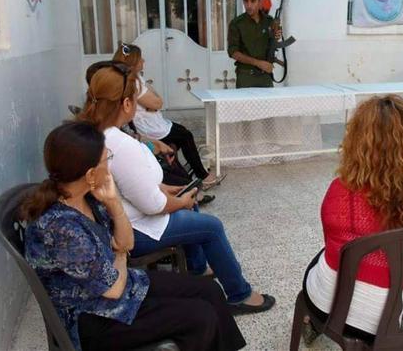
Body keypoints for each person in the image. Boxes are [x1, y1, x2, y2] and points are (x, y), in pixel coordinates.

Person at [20, 121, 246, 351]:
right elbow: (114, 286)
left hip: (117, 286)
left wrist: (113, 203)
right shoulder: (61, 228)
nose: (109, 163)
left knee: (209, 290)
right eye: (106, 158)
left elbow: (127, 243)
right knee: (200, 317)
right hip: (92, 318)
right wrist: (119, 255)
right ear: (90, 174)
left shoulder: (88, 198)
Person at [76, 63, 276, 315]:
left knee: (187, 200)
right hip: (134, 231)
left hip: (118, 220)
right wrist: (178, 201)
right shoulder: (119, 143)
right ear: (127, 104)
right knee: (211, 226)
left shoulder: (93, 132)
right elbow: (153, 205)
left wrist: (166, 189)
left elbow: (126, 183)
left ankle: (197, 267)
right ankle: (240, 295)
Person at [302, 95, 403, 342]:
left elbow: (335, 246)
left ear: (356, 143)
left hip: (340, 312)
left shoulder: (340, 192)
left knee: (321, 256)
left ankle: (311, 322)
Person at [112, 43, 225, 190]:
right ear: (133, 62)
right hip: (149, 127)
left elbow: (156, 101)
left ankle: (183, 176)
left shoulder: (134, 78)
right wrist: (151, 104)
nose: (144, 61)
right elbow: (157, 103)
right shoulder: (133, 82)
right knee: (185, 135)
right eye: (140, 59)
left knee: (177, 141)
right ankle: (202, 176)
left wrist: (152, 103)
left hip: (152, 121)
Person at [227, 0, 282, 88]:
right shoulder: (236, 24)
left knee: (268, 104)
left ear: (260, 0)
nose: (249, 5)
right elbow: (233, 52)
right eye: (246, 1)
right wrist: (258, 63)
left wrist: (277, 35)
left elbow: (272, 42)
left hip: (265, 76)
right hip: (246, 77)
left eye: (253, 1)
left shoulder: (269, 21)